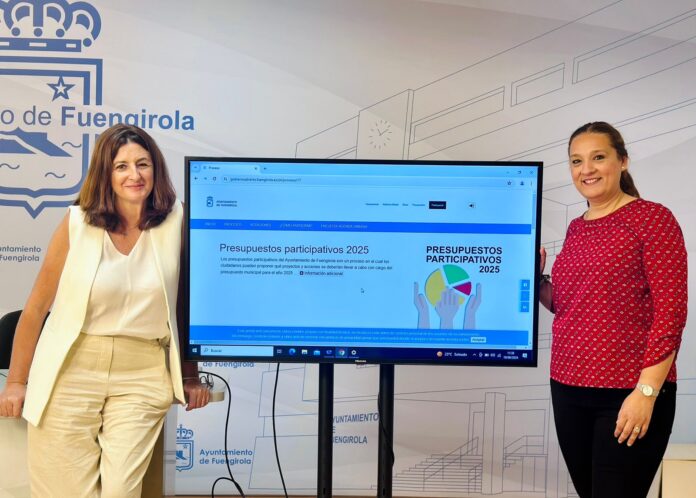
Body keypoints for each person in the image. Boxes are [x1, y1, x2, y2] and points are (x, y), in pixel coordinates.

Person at [0, 124, 210, 497]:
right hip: (71, 368)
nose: (134, 175)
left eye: (142, 164)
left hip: (142, 371)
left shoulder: (178, 221)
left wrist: (190, 375)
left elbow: (184, 308)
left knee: (120, 492)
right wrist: (16, 382)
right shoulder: (77, 223)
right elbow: (36, 308)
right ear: (105, 174)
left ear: (156, 168)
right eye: (121, 166)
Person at [539, 121, 687, 498]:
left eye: (598, 157)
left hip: (627, 392)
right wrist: (537, 280)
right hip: (567, 387)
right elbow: (569, 306)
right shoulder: (576, 228)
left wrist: (646, 393)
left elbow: (670, 315)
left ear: (622, 161)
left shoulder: (653, 219)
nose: (586, 169)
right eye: (576, 161)